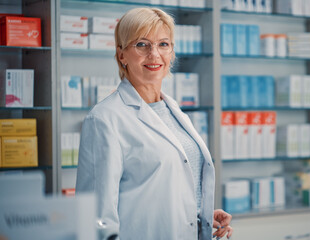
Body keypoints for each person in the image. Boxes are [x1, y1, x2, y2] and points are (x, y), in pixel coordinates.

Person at [76, 7, 233, 240]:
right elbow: (96, 218)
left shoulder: (174, 111)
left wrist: (197, 215)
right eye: (141, 44)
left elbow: (159, 190)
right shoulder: (105, 119)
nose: (154, 54)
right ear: (121, 54)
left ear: (172, 52)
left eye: (163, 44)